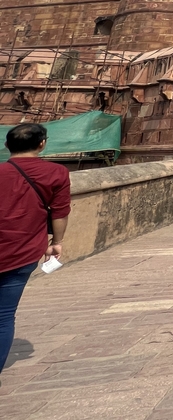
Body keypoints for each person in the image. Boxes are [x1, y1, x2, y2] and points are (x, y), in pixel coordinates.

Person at [1, 123, 71, 378]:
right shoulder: (57, 172)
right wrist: (57, 241)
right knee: (4, 316)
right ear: (42, 144)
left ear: (7, 145)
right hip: (23, 251)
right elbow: (60, 212)